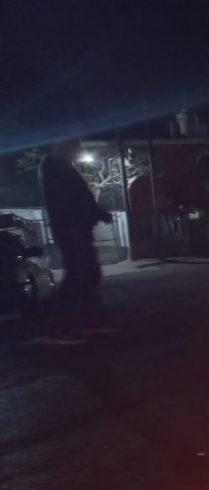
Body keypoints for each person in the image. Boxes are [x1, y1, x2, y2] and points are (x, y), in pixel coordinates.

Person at [38, 138, 115, 345]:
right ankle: (61, 326)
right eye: (74, 149)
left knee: (88, 273)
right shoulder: (55, 169)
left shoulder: (60, 167)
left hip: (76, 228)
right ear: (62, 147)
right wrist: (94, 214)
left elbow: (79, 198)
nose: (77, 153)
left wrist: (96, 213)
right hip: (71, 229)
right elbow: (71, 201)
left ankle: (89, 320)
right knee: (77, 276)